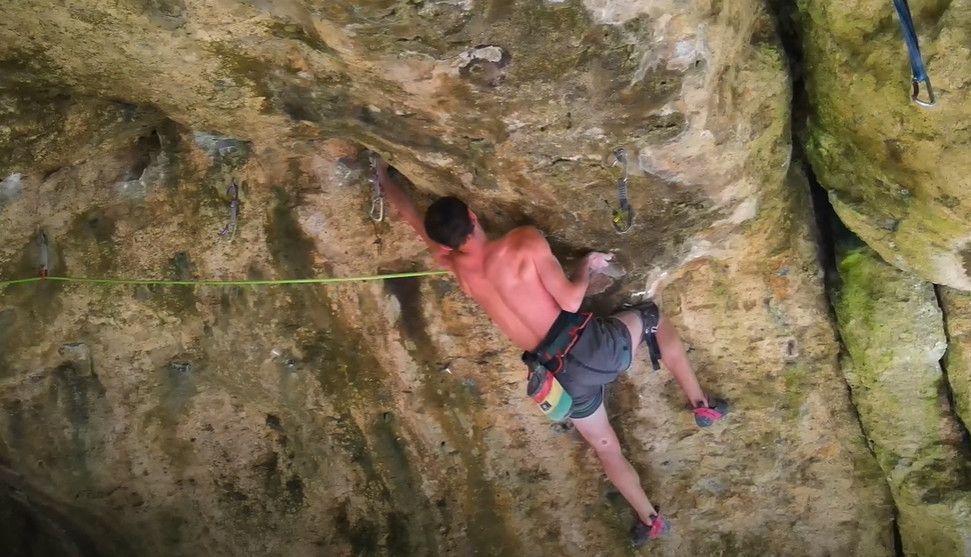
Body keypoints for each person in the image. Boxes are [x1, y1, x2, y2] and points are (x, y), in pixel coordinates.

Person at [374, 158, 728, 546]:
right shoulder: (522, 242)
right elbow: (572, 301)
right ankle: (700, 404)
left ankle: (650, 518)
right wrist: (585, 266)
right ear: (473, 216)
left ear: (445, 244)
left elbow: (410, 217)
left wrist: (382, 178)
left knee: (605, 445)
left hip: (560, 378)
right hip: (592, 346)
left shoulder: (459, 270)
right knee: (653, 318)